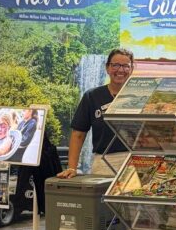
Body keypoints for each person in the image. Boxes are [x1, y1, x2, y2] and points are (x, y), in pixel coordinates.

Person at [58, 48, 135, 179]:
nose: (120, 70)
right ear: (107, 68)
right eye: (115, 65)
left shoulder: (142, 95)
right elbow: (78, 134)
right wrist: (72, 167)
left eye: (125, 66)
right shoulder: (92, 96)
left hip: (136, 162)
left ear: (132, 69)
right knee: (101, 199)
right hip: (103, 163)